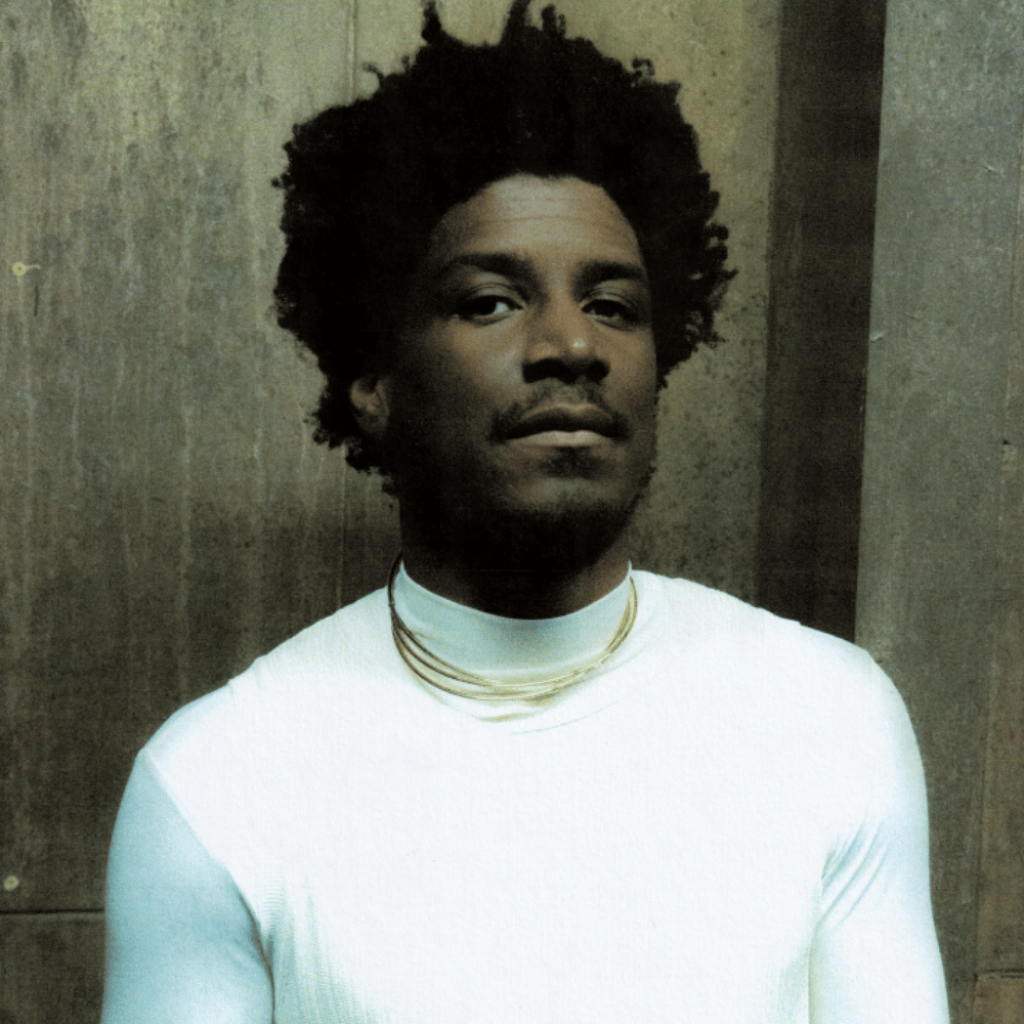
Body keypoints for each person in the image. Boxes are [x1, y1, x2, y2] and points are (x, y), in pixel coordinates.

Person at [101, 3, 950, 1022]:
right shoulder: (221, 782)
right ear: (374, 378)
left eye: (613, 306)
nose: (571, 347)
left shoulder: (826, 721)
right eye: (490, 301)